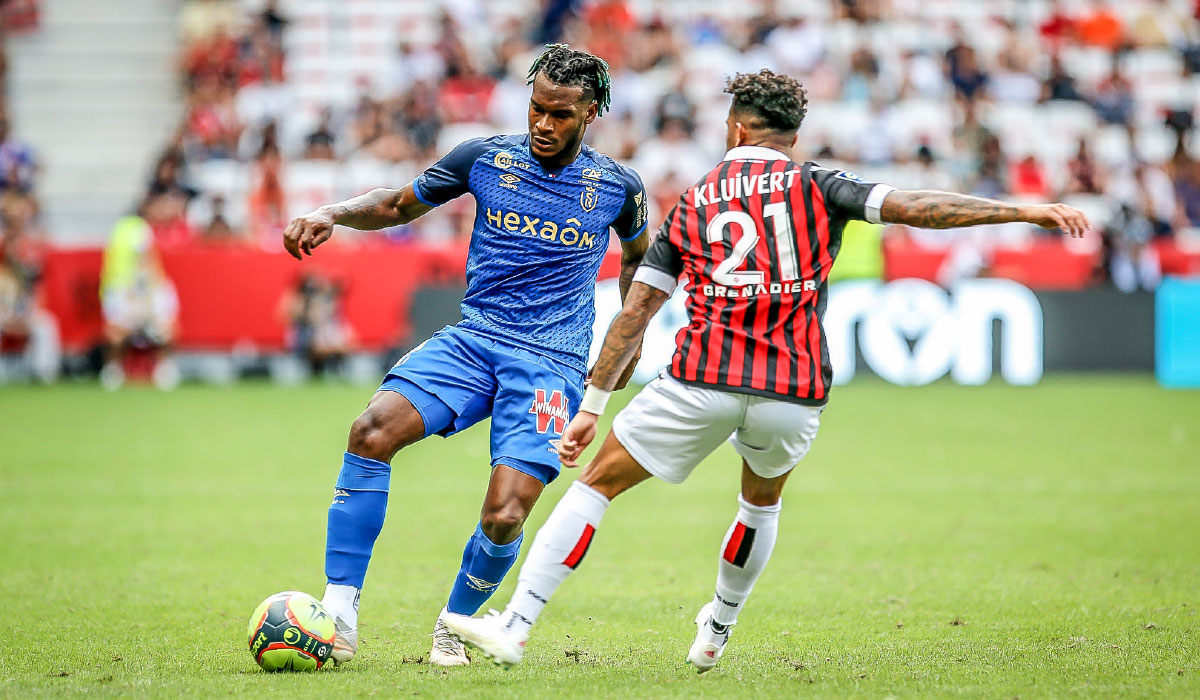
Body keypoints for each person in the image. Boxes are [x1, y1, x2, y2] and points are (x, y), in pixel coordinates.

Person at [442, 68, 1089, 672]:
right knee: (760, 504)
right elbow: (917, 208)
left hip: (701, 379)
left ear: (736, 129)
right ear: (792, 135)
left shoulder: (696, 201)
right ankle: (716, 630)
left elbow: (635, 312)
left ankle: (518, 625)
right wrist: (1025, 211)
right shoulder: (817, 184)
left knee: (595, 486)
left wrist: (590, 407)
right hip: (793, 389)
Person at [280, 44, 649, 667]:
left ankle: (455, 627)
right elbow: (401, 203)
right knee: (370, 430)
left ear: (590, 114)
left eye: (560, 115)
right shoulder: (485, 157)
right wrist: (331, 213)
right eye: (536, 108)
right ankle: (338, 613)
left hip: (551, 361)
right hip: (474, 340)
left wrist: (623, 344)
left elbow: (641, 264)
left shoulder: (618, 186)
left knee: (505, 513)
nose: (543, 124)